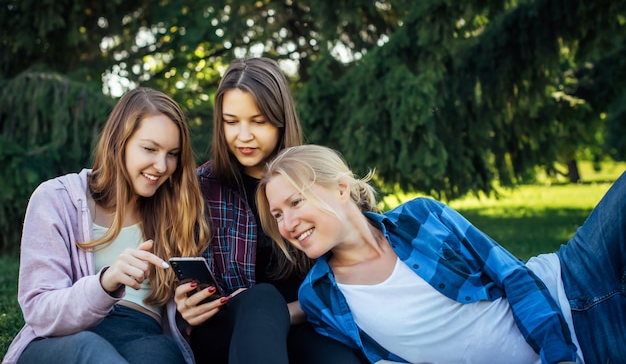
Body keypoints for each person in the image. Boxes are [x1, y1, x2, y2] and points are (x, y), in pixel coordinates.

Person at [257, 144, 626, 364]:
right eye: (277, 215)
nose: (287, 224)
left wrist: (559, 356)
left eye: (295, 201)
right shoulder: (320, 297)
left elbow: (512, 275)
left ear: (340, 188)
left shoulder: (421, 217)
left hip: (571, 280)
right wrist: (248, 307)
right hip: (598, 341)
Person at [173, 58, 367, 364]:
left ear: (281, 120)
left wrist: (296, 311)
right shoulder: (199, 189)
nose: (244, 135)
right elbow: (182, 275)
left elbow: (357, 262)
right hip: (230, 330)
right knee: (262, 297)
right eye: (231, 121)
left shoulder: (315, 179)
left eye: (259, 121)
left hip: (306, 319)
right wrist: (185, 306)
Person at [3, 87, 211, 364]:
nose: (161, 166)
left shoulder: (175, 214)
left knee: (162, 354)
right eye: (149, 149)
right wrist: (105, 282)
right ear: (119, 142)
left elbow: (180, 320)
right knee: (89, 349)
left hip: (143, 334)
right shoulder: (56, 198)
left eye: (172, 154)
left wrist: (189, 309)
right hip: (65, 341)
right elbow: (39, 311)